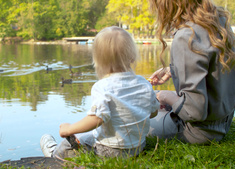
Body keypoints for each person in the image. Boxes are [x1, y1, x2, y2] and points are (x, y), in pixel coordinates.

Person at [40, 26, 159, 159]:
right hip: (137, 148)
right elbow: (153, 113)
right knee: (87, 137)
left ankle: (54, 155)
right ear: (132, 56)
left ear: (99, 61)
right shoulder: (144, 84)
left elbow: (96, 118)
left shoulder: (102, 87)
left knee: (76, 140)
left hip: (109, 151)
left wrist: (69, 128)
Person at [147, 0, 235, 144]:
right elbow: (212, 69)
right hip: (224, 121)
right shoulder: (217, 19)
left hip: (198, 131)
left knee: (132, 122)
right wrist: (172, 70)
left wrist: (167, 96)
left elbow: (194, 112)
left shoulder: (187, 36)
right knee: (150, 99)